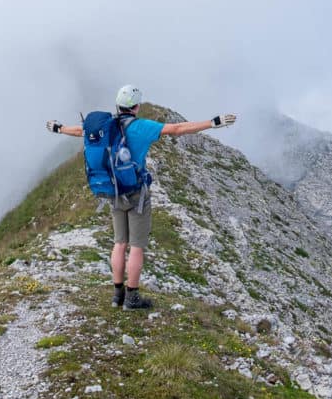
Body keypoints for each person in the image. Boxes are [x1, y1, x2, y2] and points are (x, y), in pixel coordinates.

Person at [46, 85, 236, 309]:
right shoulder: (140, 127)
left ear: (118, 105)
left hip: (113, 191)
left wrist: (59, 129)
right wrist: (212, 123)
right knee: (136, 246)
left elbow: (80, 131)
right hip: (136, 192)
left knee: (119, 243)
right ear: (136, 106)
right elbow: (176, 129)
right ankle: (132, 297)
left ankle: (117, 295)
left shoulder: (108, 127)